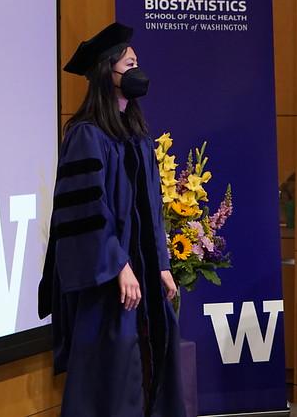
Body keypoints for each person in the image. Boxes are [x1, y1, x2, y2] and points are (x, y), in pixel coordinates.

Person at [38, 22, 186, 417]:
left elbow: (151, 207)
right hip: (109, 285)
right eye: (130, 63)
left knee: (153, 364)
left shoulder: (135, 134)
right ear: (108, 72)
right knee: (112, 379)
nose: (138, 72)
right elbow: (87, 211)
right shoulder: (87, 136)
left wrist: (162, 264)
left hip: (143, 279)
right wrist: (118, 263)